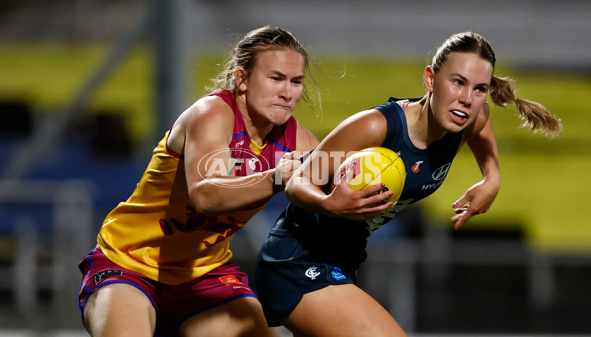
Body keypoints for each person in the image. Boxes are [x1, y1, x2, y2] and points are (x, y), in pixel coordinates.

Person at [255, 31, 562, 336]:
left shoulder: (470, 117)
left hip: (344, 261)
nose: (467, 99)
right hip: (297, 258)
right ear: (430, 79)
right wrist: (329, 203)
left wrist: (491, 178)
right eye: (457, 82)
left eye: (479, 88)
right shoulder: (376, 126)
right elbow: (298, 181)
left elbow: (482, 126)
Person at [77, 25, 319, 337]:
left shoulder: (299, 141)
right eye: (276, 78)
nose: (288, 93)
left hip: (204, 276)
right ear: (242, 79)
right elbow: (206, 196)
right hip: (128, 266)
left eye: (296, 81)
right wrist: (276, 177)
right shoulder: (212, 114)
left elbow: (334, 186)